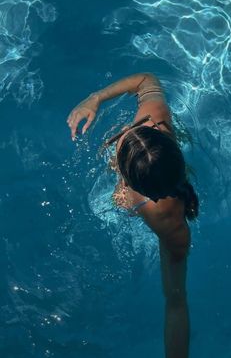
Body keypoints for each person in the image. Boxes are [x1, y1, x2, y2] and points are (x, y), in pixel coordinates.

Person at [67, 73, 199, 358]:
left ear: (132, 187)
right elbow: (145, 79)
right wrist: (96, 98)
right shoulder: (155, 117)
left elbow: (176, 305)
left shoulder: (164, 218)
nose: (123, 134)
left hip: (162, 208)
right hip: (160, 174)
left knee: (175, 298)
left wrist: (122, 199)